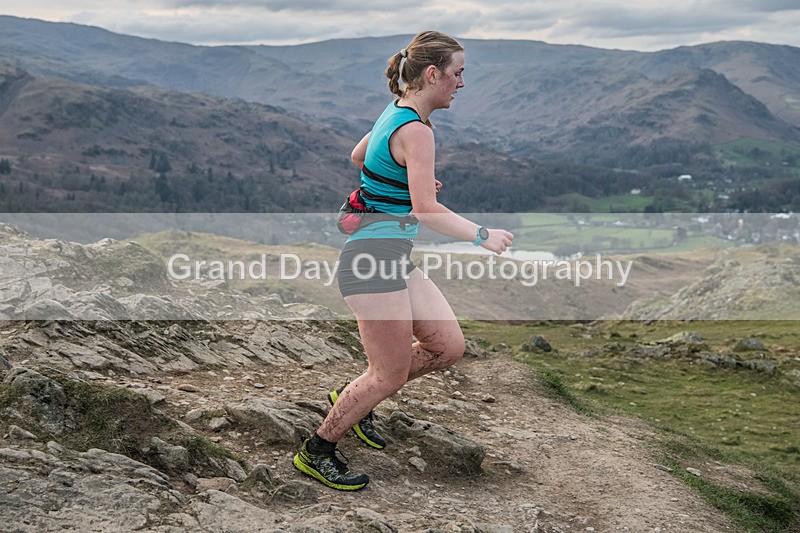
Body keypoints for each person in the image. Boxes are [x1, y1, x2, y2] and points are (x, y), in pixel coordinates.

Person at [293, 30, 514, 491]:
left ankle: (354, 398)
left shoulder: (396, 113)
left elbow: (360, 156)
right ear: (433, 74)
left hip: (391, 257)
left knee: (447, 347)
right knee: (388, 372)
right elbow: (427, 211)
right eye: (457, 74)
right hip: (371, 263)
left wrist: (401, 183)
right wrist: (482, 235)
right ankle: (318, 450)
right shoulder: (416, 130)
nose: (461, 83)